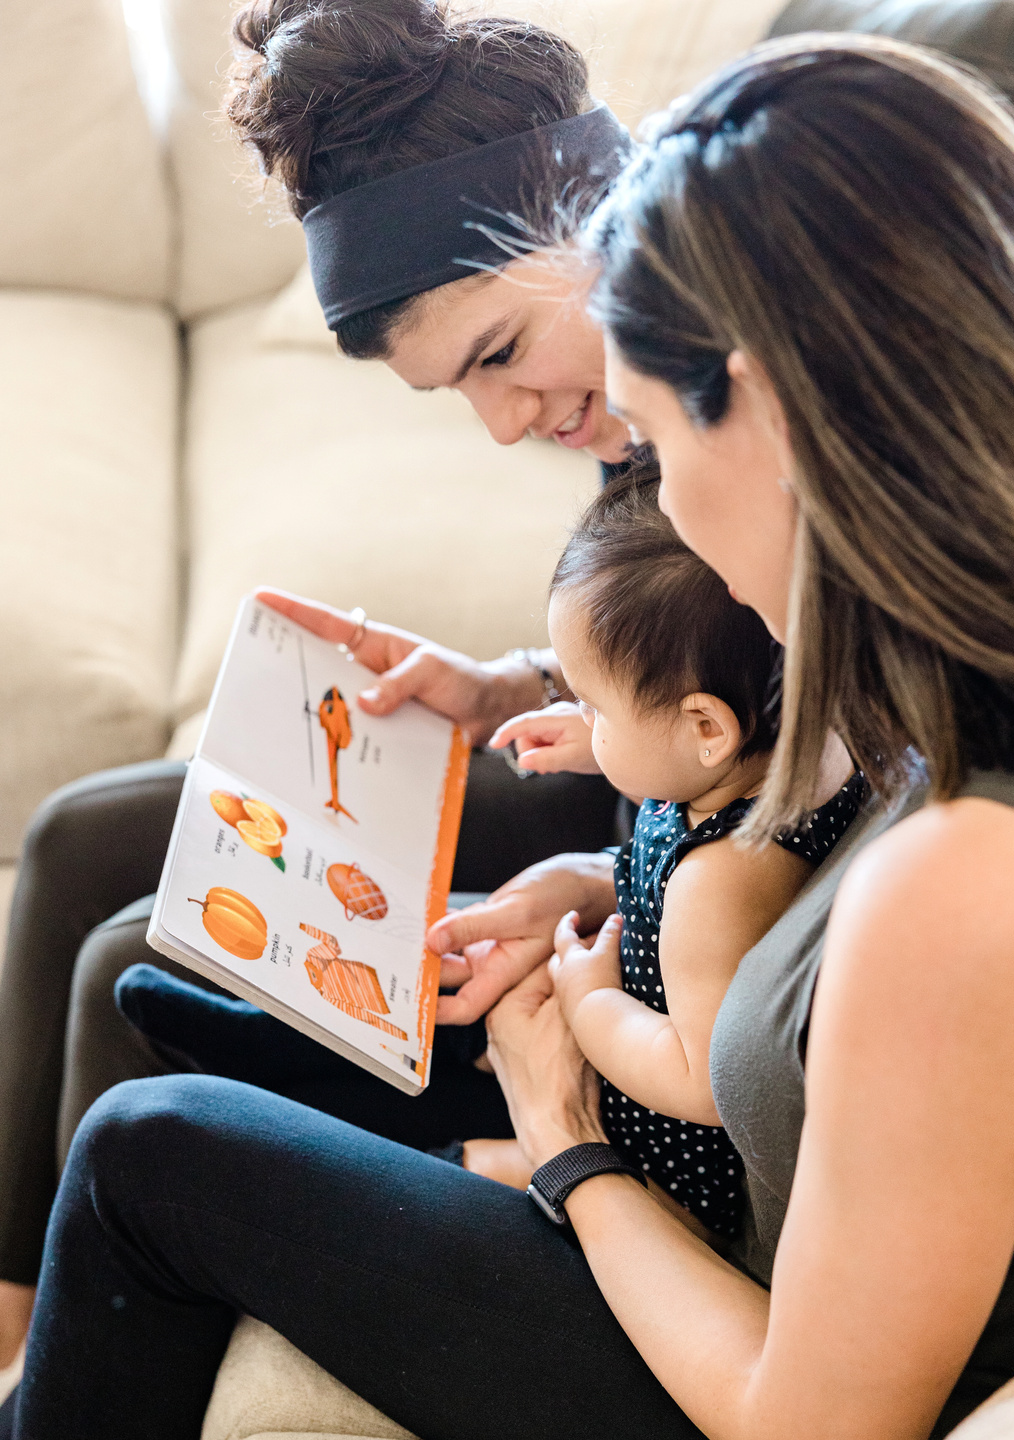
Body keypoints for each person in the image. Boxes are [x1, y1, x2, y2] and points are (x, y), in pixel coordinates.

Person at [5, 34, 1014, 1440]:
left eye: (661, 429)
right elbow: (770, 853)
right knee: (155, 983)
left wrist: (567, 1136)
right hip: (723, 1185)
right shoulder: (942, 656)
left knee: (149, 1146)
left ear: (776, 413)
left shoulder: (973, 879)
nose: (671, 527)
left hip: (752, 1376)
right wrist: (600, 890)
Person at [0, 0, 645, 1366]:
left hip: (657, 841)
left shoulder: (730, 388)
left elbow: (761, 730)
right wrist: (501, 686)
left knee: (139, 955)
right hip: (630, 766)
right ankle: (15, 1340)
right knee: (77, 841)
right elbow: (689, 659)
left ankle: (61, 1403)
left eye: (495, 356)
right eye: (456, 392)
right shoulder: (634, 365)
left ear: (597, 204)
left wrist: (586, 880)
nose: (505, 422)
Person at [455, 464, 863, 1227]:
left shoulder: (720, 882)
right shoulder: (788, 750)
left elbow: (700, 1080)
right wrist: (600, 738)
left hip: (666, 1159)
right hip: (627, 1031)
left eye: (592, 703)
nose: (581, 714)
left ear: (705, 728)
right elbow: (675, 754)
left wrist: (589, 1002)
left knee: (468, 1164)